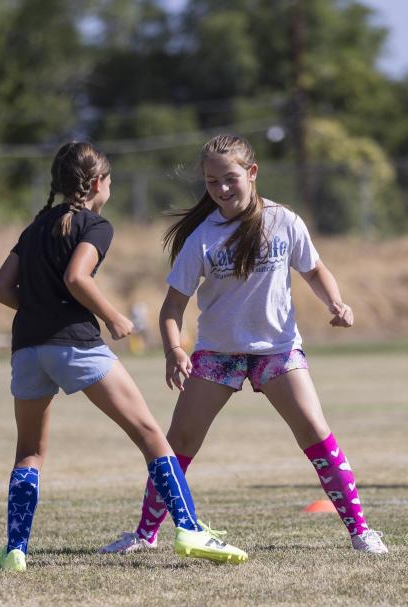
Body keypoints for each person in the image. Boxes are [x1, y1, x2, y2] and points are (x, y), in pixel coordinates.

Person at [99, 134, 388, 556]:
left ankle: (361, 532)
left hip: (278, 351)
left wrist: (336, 302)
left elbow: (315, 269)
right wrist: (174, 350)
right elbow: (171, 307)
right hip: (218, 354)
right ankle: (145, 534)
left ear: (252, 174)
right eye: (212, 182)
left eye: (230, 178)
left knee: (315, 431)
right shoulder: (202, 235)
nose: (221, 189)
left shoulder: (284, 221)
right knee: (178, 441)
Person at [0, 141, 247, 571]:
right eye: (109, 179)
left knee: (29, 451)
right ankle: (189, 529)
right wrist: (112, 317)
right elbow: (76, 275)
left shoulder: (35, 227)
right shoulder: (95, 225)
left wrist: (40, 311)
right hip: (75, 345)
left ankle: (16, 550)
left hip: (28, 350)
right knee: (151, 436)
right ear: (95, 183)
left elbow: (0, 289)